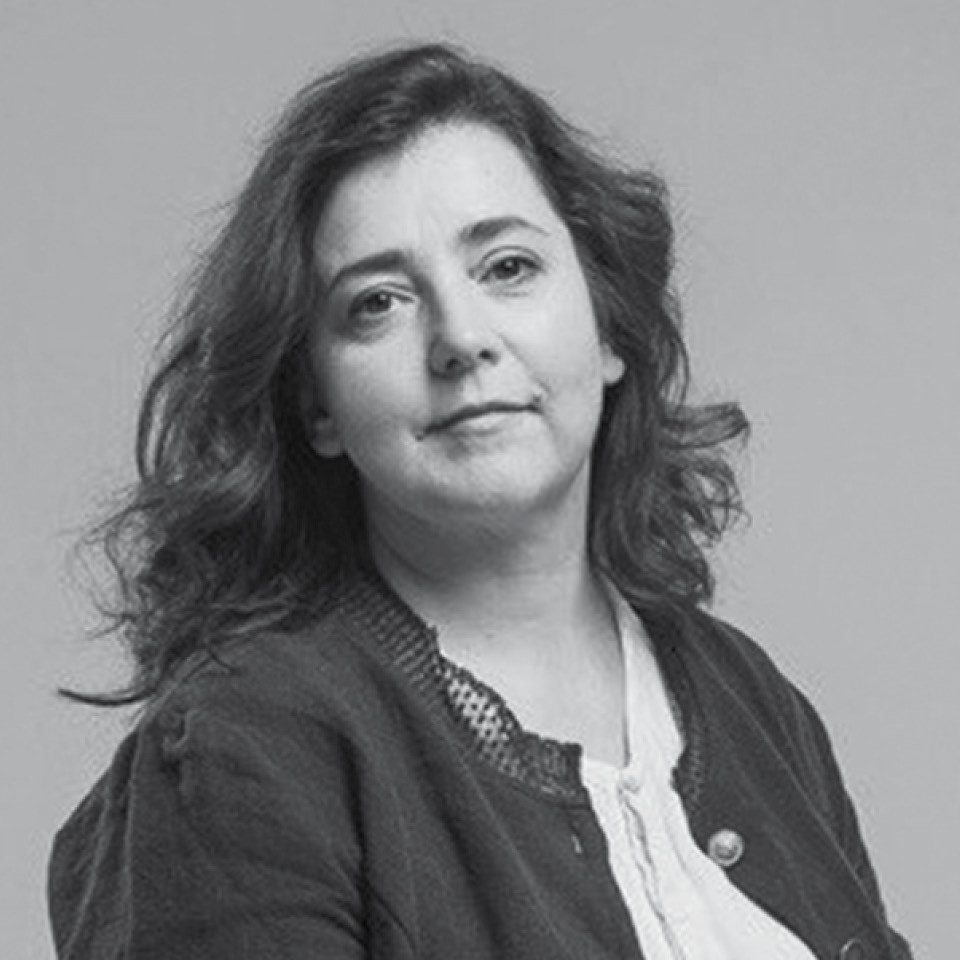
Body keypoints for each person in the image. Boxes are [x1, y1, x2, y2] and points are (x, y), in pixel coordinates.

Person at [48, 42, 912, 960]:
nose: (460, 338)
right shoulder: (249, 743)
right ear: (316, 405)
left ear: (609, 327)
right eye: (378, 302)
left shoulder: (752, 701)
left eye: (507, 267)